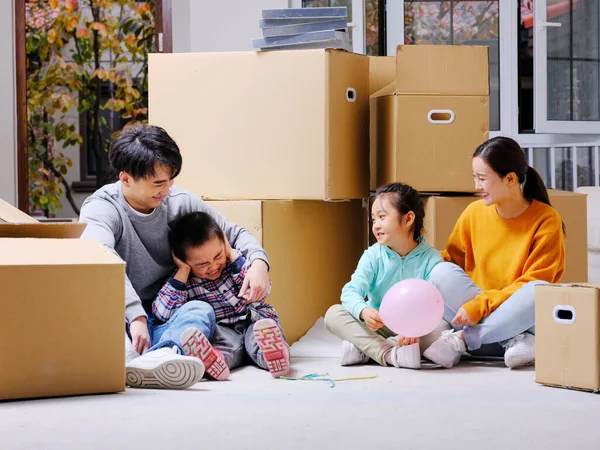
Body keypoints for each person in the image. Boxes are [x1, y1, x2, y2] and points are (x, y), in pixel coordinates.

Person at [79, 124, 271, 389]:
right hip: (123, 317)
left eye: (170, 180)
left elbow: (233, 233)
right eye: (158, 183)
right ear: (125, 179)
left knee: (201, 311)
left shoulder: (179, 201)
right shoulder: (102, 209)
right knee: (105, 346)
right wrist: (135, 316)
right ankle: (153, 357)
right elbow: (99, 256)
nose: (167, 190)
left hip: (168, 314)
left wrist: (259, 262)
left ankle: (162, 355)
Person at [424, 136, 565, 369]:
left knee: (537, 291)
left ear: (510, 178)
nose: (477, 186)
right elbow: (452, 260)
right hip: (490, 323)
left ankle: (463, 340)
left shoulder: (546, 220)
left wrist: (482, 304)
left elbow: (535, 280)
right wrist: (414, 254)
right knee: (441, 272)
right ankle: (513, 341)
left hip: (519, 319)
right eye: (475, 178)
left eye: (482, 178)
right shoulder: (473, 213)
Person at [325, 182, 448, 369]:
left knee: (442, 328)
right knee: (333, 314)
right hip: (378, 326)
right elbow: (350, 291)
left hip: (413, 330)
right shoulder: (373, 255)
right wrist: (364, 311)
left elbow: (436, 303)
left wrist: (418, 327)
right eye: (373, 219)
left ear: (407, 220)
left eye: (382, 217)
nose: (376, 225)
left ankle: (365, 349)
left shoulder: (431, 259)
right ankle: (389, 353)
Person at [153, 212, 290, 379]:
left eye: (217, 256)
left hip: (252, 320)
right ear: (183, 260)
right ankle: (213, 362)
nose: (213, 266)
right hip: (223, 330)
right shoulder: (185, 282)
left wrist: (231, 253)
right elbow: (162, 313)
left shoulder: (235, 265)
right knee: (225, 348)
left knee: (259, 337)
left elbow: (262, 291)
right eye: (202, 264)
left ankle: (277, 356)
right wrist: (183, 271)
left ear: (224, 244)